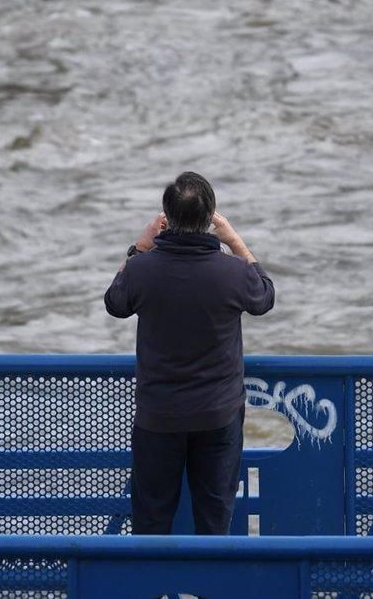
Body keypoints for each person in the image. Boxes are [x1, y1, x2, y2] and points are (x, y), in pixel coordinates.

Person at [104, 171, 275, 535]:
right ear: (211, 217)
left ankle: (156, 590)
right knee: (215, 521)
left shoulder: (141, 270)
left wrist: (139, 247)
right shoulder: (232, 273)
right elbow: (264, 296)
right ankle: (208, 588)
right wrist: (235, 241)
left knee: (151, 522)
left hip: (158, 415)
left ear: (166, 218)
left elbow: (115, 303)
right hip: (219, 415)